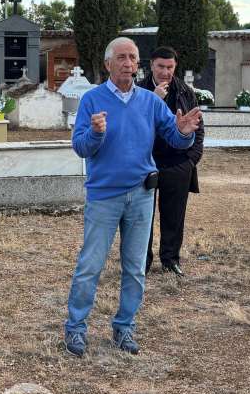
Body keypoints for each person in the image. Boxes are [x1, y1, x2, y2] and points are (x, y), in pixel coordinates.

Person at [63, 37, 202, 357]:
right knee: (90, 265)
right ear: (108, 64)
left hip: (141, 196)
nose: (128, 63)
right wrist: (96, 133)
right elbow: (81, 147)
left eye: (133, 58)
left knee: (135, 267)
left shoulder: (150, 102)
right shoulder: (92, 100)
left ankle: (124, 326)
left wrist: (183, 131)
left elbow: (176, 139)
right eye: (122, 58)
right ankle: (75, 328)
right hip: (104, 197)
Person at [140, 46, 204, 276]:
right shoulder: (138, 91)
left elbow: (198, 127)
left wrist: (191, 160)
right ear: (151, 66)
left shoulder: (186, 91)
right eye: (161, 66)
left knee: (174, 215)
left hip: (178, 163)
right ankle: (141, 262)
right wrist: (151, 100)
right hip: (146, 163)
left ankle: (170, 259)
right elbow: (133, 126)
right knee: (141, 216)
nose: (165, 72)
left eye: (170, 67)